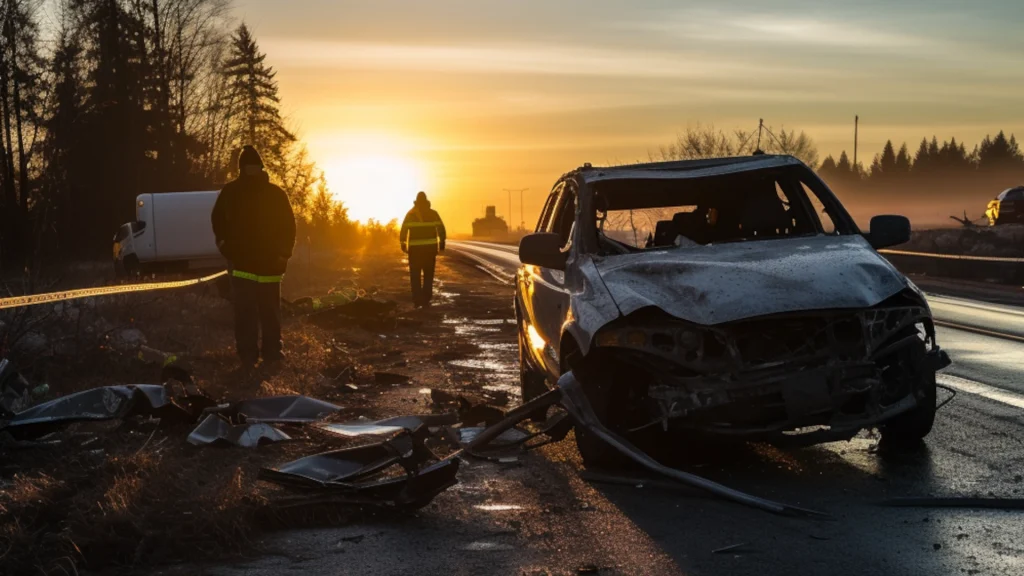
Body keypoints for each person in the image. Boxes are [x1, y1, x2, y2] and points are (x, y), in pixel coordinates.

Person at [211, 145, 296, 367]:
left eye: (254, 166)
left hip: (271, 266)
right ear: (241, 168)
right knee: (245, 314)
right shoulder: (230, 192)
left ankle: (273, 354)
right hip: (242, 265)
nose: (251, 170)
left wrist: (283, 255)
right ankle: (247, 356)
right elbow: (217, 220)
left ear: (261, 167)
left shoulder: (276, 194)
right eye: (247, 167)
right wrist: (224, 245)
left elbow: (288, 227)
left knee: (270, 313)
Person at [400, 191, 446, 307]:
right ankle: (426, 298)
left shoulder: (411, 214)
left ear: (416, 201)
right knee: (428, 274)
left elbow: (404, 229)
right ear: (426, 201)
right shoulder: (433, 214)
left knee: (415, 275)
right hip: (429, 250)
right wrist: (442, 242)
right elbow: (441, 228)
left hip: (415, 251)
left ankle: (417, 298)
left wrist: (403, 242)